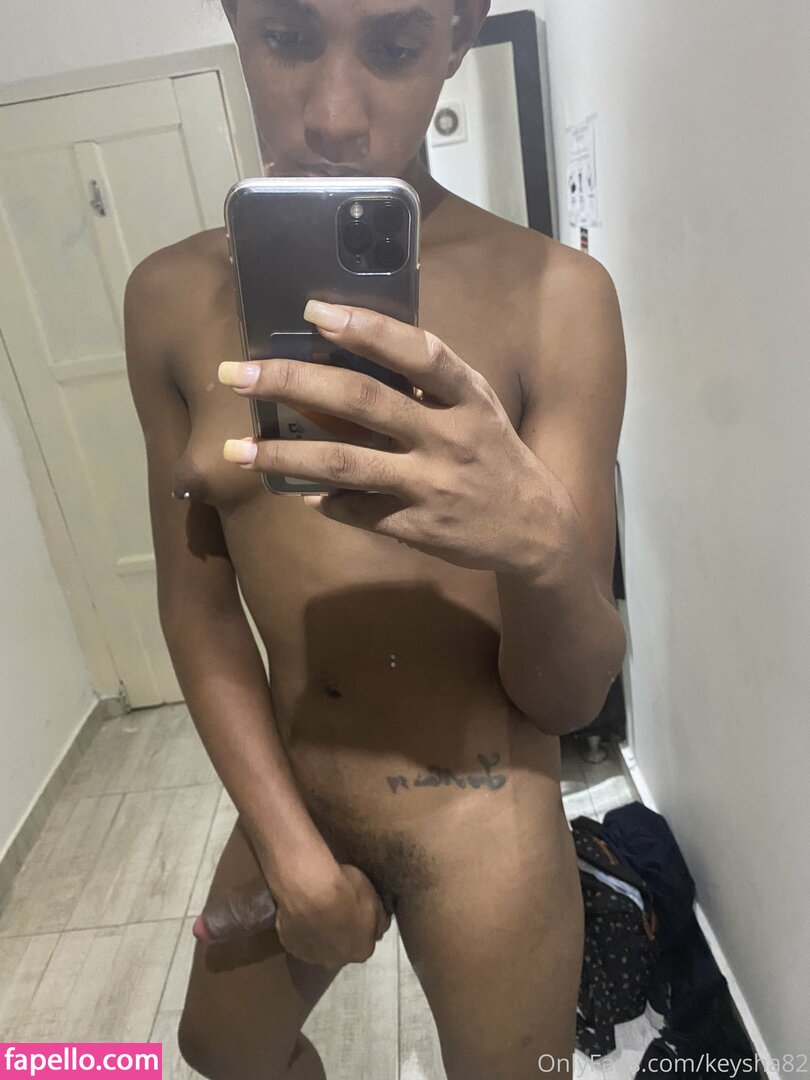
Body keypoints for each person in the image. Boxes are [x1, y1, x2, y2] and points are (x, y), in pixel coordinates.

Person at [123, 0, 628, 1077]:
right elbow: (196, 610)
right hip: (297, 787)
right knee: (222, 1053)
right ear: (235, 18)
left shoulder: (558, 298)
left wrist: (538, 545)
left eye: (394, 48)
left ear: (458, 35)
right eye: (288, 37)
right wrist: (290, 852)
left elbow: (570, 698)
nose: (335, 116)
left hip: (485, 813)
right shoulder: (165, 299)